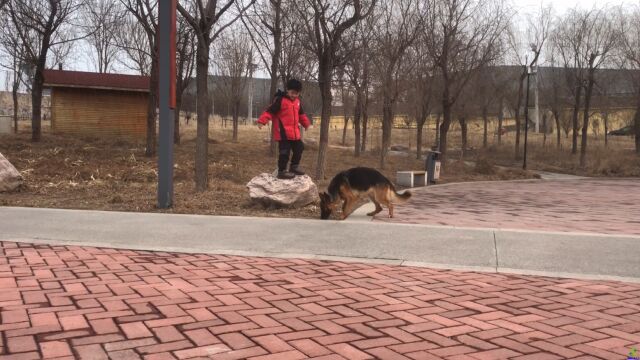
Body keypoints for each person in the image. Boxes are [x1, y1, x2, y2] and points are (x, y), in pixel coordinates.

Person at [257, 79, 312, 179]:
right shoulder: (280, 100)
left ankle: (294, 166)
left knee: (299, 147)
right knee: (284, 152)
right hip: (283, 133)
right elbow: (270, 111)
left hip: (295, 133)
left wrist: (306, 124)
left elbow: (302, 115)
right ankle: (282, 171)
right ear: (287, 90)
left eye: (296, 93)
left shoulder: (298, 102)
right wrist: (262, 121)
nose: (294, 95)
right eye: (292, 93)